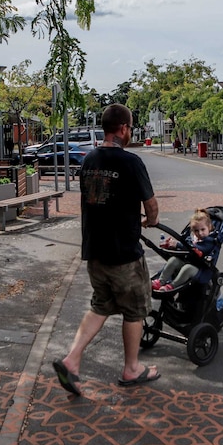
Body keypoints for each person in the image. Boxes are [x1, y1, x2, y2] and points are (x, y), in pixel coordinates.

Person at [52, 103, 160, 396]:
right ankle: (132, 369)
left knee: (101, 304)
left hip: (94, 251)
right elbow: (150, 204)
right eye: (131, 127)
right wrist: (151, 220)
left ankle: (72, 360)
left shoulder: (89, 160)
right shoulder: (131, 162)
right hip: (123, 253)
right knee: (134, 310)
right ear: (124, 128)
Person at [152, 208, 218, 291]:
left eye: (203, 229)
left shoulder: (209, 241)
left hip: (201, 270)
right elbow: (185, 245)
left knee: (187, 268)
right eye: (196, 231)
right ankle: (160, 281)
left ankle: (171, 286)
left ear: (209, 227)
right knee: (173, 260)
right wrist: (173, 245)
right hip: (187, 262)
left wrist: (178, 245)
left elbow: (197, 250)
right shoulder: (192, 239)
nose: (200, 233)